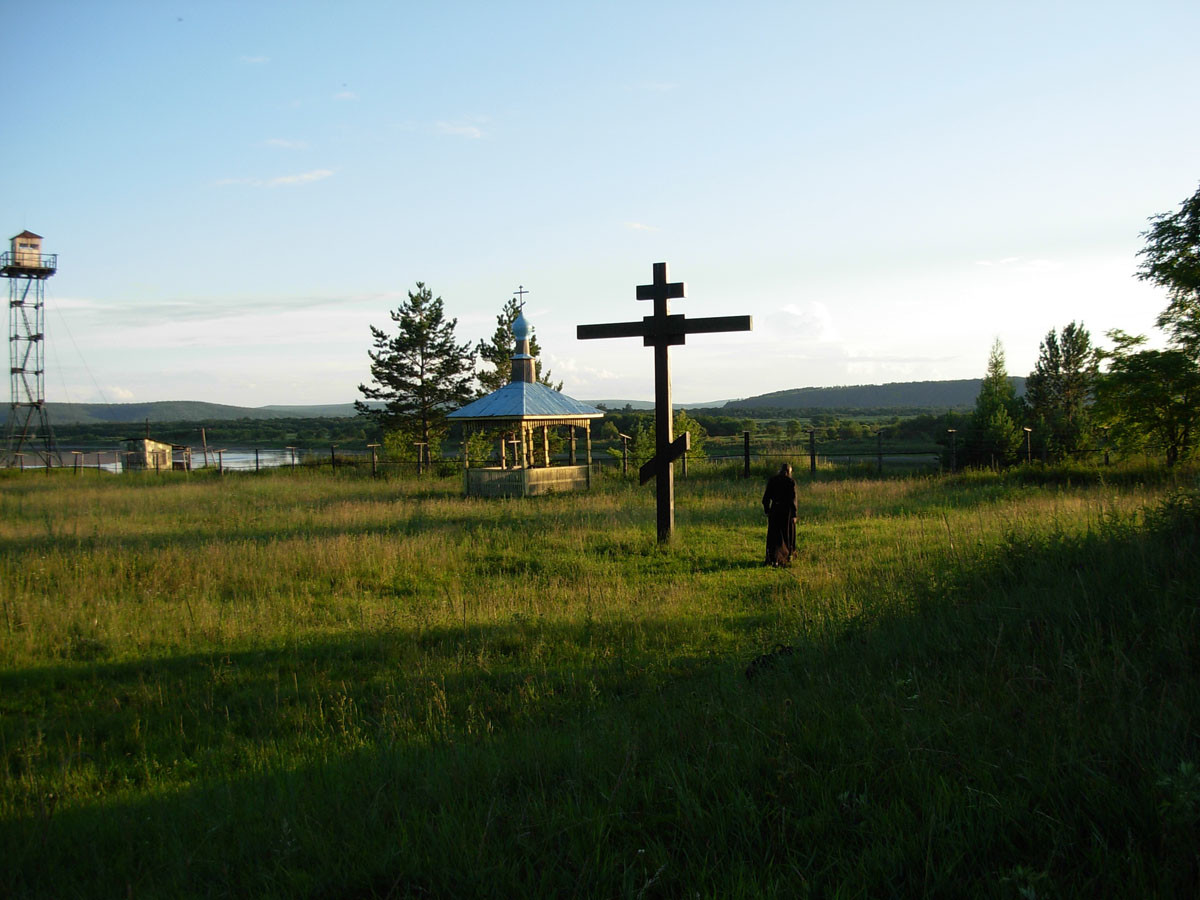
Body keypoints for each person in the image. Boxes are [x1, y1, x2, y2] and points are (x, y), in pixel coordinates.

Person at [762, 462, 798, 566]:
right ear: (788, 471)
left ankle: (772, 557)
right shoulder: (791, 482)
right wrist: (794, 514)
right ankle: (786, 557)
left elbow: (765, 498)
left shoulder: (772, 480)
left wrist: (767, 510)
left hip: (775, 509)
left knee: (774, 535)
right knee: (787, 535)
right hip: (787, 512)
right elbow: (793, 500)